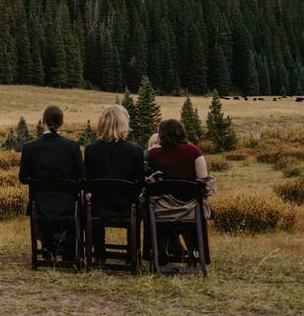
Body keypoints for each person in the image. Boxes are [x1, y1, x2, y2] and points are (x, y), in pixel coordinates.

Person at [18, 105, 83, 261]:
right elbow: (81, 177)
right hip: (67, 206)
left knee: (43, 206)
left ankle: (47, 246)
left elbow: (22, 178)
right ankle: (67, 251)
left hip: (40, 205)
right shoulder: (72, 147)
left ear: (43, 121)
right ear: (61, 123)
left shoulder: (30, 147)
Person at [83, 104, 145, 259]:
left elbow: (86, 182)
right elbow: (140, 183)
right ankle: (133, 254)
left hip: (98, 207)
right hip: (127, 207)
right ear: (124, 123)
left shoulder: (91, 150)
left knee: (89, 204)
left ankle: (99, 253)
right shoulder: (135, 151)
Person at [146, 118, 211, 263]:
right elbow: (204, 182)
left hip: (162, 211)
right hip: (190, 210)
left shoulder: (154, 154)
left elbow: (149, 180)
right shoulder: (194, 151)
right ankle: (196, 253)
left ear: (161, 135)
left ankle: (158, 254)